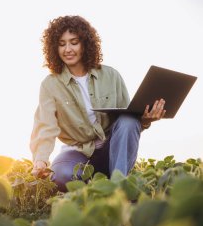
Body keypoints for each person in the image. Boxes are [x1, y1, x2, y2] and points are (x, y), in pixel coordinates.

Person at [30, 15, 166, 191]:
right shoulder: (50, 84)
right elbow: (46, 126)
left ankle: (118, 186)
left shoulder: (111, 75)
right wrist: (40, 159)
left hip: (112, 150)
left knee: (129, 120)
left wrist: (145, 120)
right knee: (61, 175)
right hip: (77, 153)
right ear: (54, 48)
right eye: (62, 44)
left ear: (85, 44)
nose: (68, 49)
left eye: (74, 42)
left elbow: (129, 122)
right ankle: (99, 186)